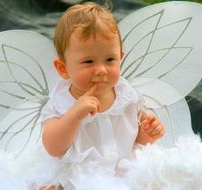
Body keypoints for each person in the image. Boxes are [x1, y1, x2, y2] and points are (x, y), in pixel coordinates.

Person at [39, 1, 165, 189]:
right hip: (79, 176)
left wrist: (147, 132)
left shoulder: (126, 96)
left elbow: (134, 138)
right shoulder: (61, 104)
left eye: (110, 60)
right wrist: (74, 115)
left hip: (124, 173)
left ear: (120, 58)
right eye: (88, 61)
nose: (101, 70)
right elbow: (53, 148)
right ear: (63, 68)